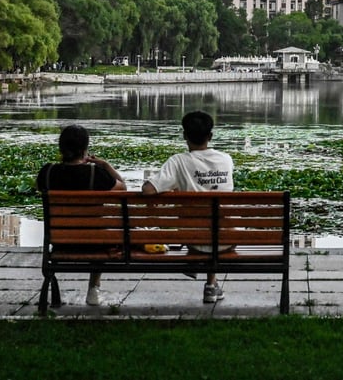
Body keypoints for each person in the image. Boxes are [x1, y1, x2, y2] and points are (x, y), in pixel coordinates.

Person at [142, 110, 233, 304]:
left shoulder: (178, 161)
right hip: (227, 238)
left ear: (184, 135)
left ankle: (195, 263)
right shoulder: (226, 160)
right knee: (213, 226)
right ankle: (211, 285)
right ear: (210, 136)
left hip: (193, 238)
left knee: (200, 230)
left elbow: (148, 190)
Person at [36, 124, 126, 306]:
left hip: (60, 241)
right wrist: (106, 165)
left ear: (61, 148)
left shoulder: (48, 172)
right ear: (85, 149)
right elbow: (122, 187)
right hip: (94, 241)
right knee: (102, 232)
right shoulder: (96, 174)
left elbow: (37, 187)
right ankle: (93, 289)